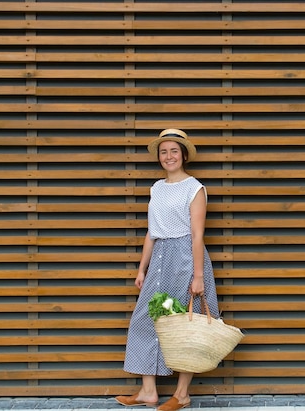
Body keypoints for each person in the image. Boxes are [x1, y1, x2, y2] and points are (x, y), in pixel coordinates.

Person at [115, 128, 220, 411]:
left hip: (186, 258)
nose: (169, 156)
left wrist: (198, 276)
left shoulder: (194, 188)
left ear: (184, 155)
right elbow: (151, 232)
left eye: (174, 150)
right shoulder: (156, 188)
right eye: (164, 151)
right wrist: (141, 269)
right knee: (146, 320)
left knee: (189, 324)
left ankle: (182, 394)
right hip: (159, 260)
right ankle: (148, 391)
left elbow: (197, 235)